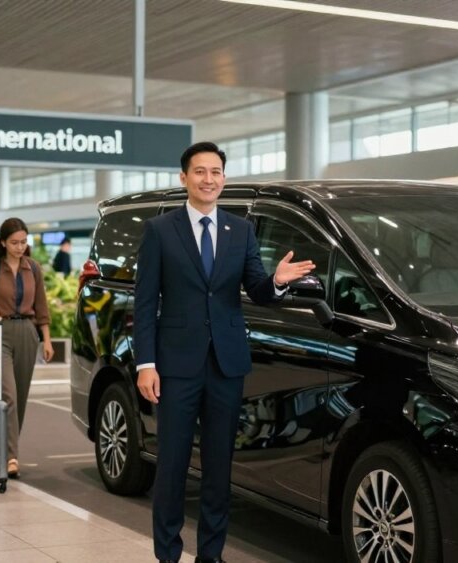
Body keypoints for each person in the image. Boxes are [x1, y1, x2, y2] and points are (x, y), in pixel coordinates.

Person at [134, 142, 315, 563]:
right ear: (184, 178)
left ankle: (211, 555)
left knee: (219, 468)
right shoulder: (160, 230)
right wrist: (147, 364)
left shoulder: (241, 229)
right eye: (200, 172)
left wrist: (278, 281)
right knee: (173, 466)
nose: (209, 179)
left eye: (216, 172)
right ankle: (168, 554)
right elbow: (145, 304)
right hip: (176, 365)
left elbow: (257, 290)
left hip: (226, 365)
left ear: (224, 179)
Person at [0, 218, 53, 479]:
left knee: (22, 396)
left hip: (27, 333)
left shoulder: (34, 269)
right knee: (7, 395)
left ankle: (8, 448)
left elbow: (42, 307)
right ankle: (10, 456)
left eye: (23, 242)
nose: (20, 247)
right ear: (3, 242)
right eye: (15, 242)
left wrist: (47, 340)